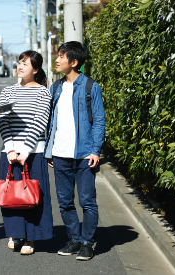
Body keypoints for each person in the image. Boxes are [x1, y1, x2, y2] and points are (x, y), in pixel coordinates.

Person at [44, 41, 106, 261]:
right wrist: (50, 150)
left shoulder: (91, 87)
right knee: (65, 201)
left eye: (62, 56)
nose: (57, 60)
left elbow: (99, 120)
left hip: (84, 154)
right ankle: (75, 239)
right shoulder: (55, 87)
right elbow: (52, 121)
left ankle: (88, 242)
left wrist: (95, 150)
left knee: (87, 201)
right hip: (60, 154)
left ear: (74, 61)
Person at [0, 50, 53, 255]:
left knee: (33, 196)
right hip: (10, 152)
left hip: (34, 152)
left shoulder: (43, 92)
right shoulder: (7, 91)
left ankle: (31, 239)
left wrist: (26, 150)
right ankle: (15, 234)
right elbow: (3, 120)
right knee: (12, 195)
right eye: (19, 62)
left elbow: (40, 123)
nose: (20, 67)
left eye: (25, 64)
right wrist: (11, 148)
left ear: (36, 69)